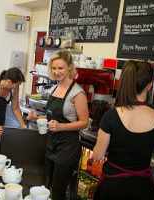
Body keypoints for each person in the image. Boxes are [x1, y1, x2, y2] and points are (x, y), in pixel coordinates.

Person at [92, 60, 154, 200]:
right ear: (149, 86)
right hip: (142, 188)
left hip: (113, 186)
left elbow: (98, 155)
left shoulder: (111, 116)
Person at [27, 50, 89, 200]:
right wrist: (37, 118)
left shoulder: (77, 93)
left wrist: (61, 126)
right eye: (54, 68)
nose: (57, 72)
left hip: (67, 147)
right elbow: (51, 117)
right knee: (51, 187)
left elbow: (84, 122)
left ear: (69, 67)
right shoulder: (55, 88)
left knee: (59, 191)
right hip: (52, 144)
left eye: (60, 68)